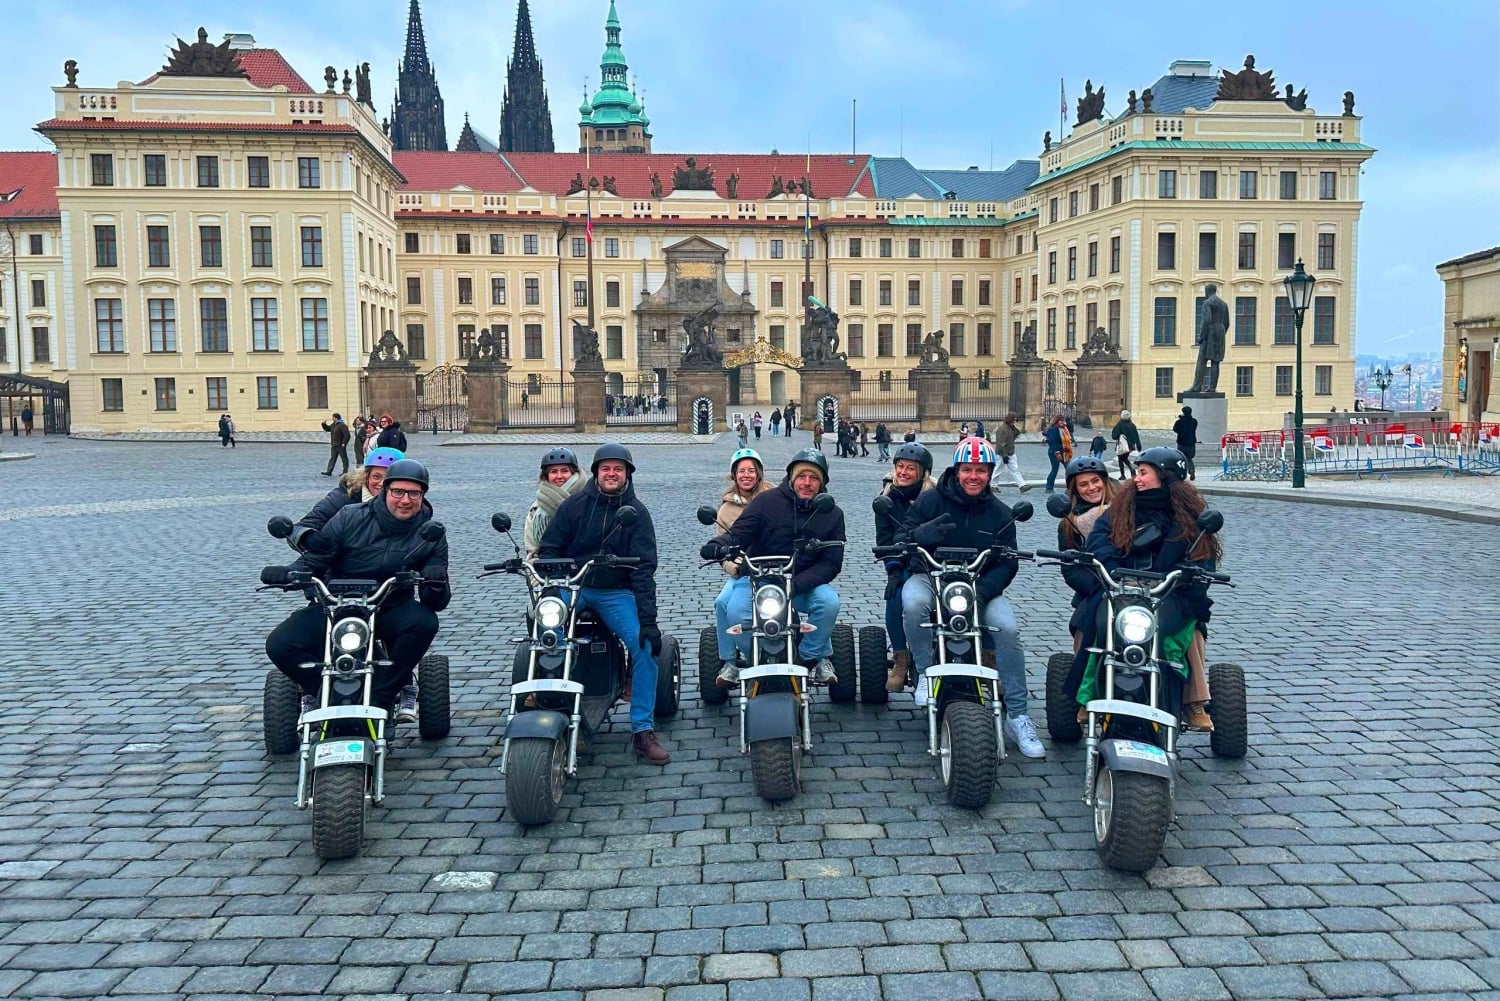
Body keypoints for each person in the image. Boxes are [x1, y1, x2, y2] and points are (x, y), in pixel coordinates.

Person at [264, 458, 450, 724]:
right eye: (398, 491)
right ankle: (324, 693)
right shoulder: (350, 516)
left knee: (424, 623)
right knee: (280, 644)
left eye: (414, 493)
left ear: (423, 495)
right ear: (385, 491)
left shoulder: (430, 532)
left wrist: (436, 579)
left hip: (389, 606)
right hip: (336, 605)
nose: (405, 500)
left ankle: (382, 695)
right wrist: (288, 572)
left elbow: (437, 601)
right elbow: (318, 557)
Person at [900, 437, 1045, 757]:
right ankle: (925, 671)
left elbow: (1008, 563)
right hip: (932, 578)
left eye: (981, 470)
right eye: (967, 470)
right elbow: (902, 538)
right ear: (956, 471)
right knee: (911, 604)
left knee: (1007, 629)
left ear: (991, 473)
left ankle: (1018, 715)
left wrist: (983, 592)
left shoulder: (1001, 513)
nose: (974, 477)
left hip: (980, 587)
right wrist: (918, 537)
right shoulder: (929, 501)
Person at [537, 444, 670, 764]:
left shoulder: (637, 513)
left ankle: (642, 729)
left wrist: (648, 621)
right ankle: (542, 698)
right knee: (545, 630)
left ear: (627, 474)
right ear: (595, 472)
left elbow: (644, 569)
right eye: (606, 468)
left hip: (615, 592)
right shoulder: (574, 506)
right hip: (575, 585)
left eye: (618, 469)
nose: (612, 474)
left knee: (646, 646)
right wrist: (559, 570)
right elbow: (549, 549)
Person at [1083, 447, 1217, 731]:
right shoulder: (1121, 506)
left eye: (1143, 472)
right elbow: (1099, 542)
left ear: (1165, 476)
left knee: (1185, 630)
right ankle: (1087, 695)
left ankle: (1194, 701)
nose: (1137, 479)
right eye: (1136, 472)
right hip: (1122, 589)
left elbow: (1203, 559)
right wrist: (1112, 570)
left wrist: (1188, 575)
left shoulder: (1192, 516)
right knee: (1095, 622)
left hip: (1170, 593)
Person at [704, 448, 844, 686]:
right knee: (736, 611)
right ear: (792, 478)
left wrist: (797, 585)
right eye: (801, 476)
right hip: (759, 579)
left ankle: (808, 657)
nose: (807, 483)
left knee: (829, 603)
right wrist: (718, 544)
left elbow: (831, 563)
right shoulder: (765, 502)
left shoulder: (832, 513)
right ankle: (755, 658)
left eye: (814, 478)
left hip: (801, 583)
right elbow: (739, 533)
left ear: (822, 484)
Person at [707, 448, 779, 672]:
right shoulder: (726, 509)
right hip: (745, 571)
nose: (746, 475)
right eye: (741, 471)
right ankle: (730, 660)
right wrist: (736, 568)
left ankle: (817, 654)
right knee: (722, 603)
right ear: (734, 475)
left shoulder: (777, 498)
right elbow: (721, 549)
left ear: (759, 473)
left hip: (778, 567)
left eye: (751, 470)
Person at [875, 442, 936, 691]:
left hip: (931, 564)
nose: (903, 472)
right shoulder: (886, 499)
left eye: (911, 468)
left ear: (922, 473)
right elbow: (885, 542)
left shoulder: (934, 497)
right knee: (895, 599)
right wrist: (894, 571)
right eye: (900, 466)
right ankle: (901, 658)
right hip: (903, 564)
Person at [289, 445, 406, 551]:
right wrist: (308, 537)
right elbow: (300, 528)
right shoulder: (343, 497)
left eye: (389, 478)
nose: (381, 483)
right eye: (376, 477)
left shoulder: (409, 502)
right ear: (366, 476)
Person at [523, 447, 584, 559]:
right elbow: (532, 550)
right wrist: (535, 573)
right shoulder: (537, 508)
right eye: (553, 472)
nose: (559, 476)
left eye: (565, 471)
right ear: (546, 475)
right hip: (548, 568)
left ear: (573, 473)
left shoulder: (588, 499)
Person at [991, 413, 1026, 491]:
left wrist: (1013, 427)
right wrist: (1004, 454)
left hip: (1010, 452)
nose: (1015, 421)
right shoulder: (1003, 428)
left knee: (1015, 469)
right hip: (1002, 453)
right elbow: (1001, 442)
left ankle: (1022, 485)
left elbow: (1017, 433)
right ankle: (993, 485)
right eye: (1014, 419)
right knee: (998, 469)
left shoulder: (1011, 428)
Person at [1043, 415, 1073, 493]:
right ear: (1056, 421)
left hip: (1065, 452)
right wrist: (1057, 453)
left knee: (1069, 469)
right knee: (1054, 470)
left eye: (1063, 420)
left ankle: (1070, 487)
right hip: (1054, 452)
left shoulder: (1064, 429)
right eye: (1061, 420)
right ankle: (1049, 487)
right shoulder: (1052, 430)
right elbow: (1053, 443)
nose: (1063, 422)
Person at [1111, 410, 1141, 480]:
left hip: (1122, 445)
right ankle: (1127, 472)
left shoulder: (1120, 424)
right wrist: (1139, 445)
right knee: (1123, 458)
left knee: (1121, 459)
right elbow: (1136, 436)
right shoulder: (1132, 425)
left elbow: (1114, 435)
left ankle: (1127, 471)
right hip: (1130, 446)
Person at [1173, 406, 1200, 481]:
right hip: (1191, 443)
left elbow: (1175, 429)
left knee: (1181, 458)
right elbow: (1192, 427)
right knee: (1189, 458)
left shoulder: (1179, 422)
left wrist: (1181, 419)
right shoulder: (1194, 421)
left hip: (1182, 442)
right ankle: (1191, 470)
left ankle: (1181, 473)